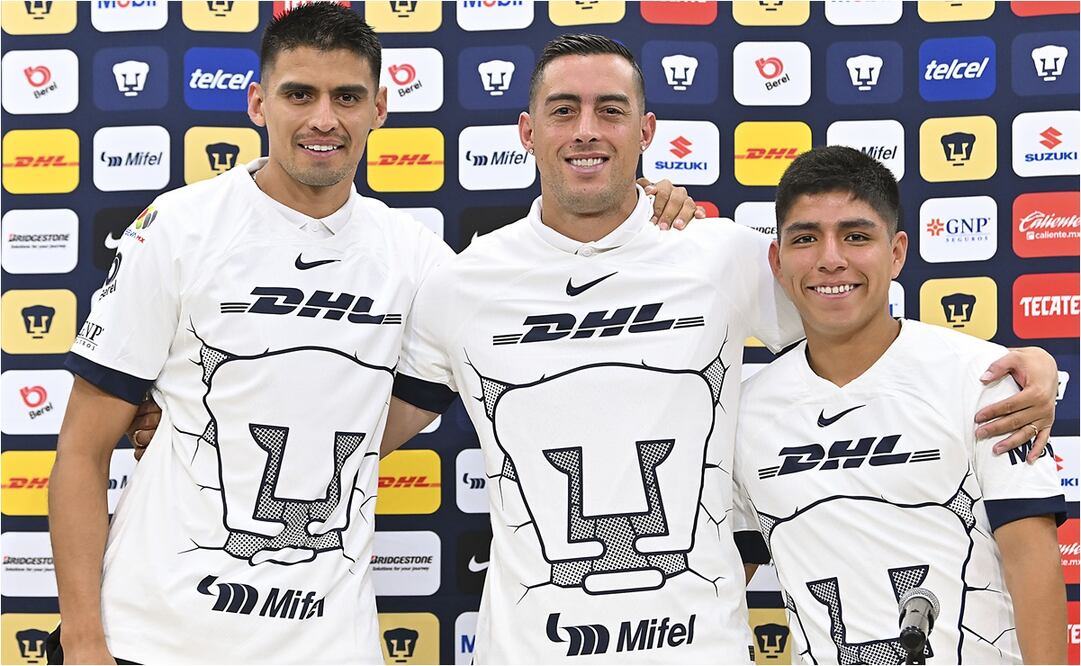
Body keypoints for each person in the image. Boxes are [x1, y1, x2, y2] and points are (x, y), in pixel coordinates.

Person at [120, 29, 1059, 665]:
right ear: (527, 132)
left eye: (610, 110)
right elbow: (367, 407)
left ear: (647, 132)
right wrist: (205, 418)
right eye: (563, 110)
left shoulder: (722, 255)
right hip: (534, 647)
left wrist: (1027, 365)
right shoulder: (457, 282)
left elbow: (854, 311)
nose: (587, 130)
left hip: (697, 648)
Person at [49, 7, 699, 664]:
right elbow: (80, 452)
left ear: (380, 108)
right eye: (299, 94)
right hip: (153, 640)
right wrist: (82, 642)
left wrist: (647, 208)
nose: (323, 119)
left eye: (347, 97)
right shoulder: (180, 227)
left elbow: (569, 309)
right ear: (256, 103)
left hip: (329, 645)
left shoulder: (419, 262)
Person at [733, 146, 1066, 664]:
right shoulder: (745, 414)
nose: (830, 258)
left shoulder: (983, 380)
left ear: (897, 252)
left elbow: (1035, 566)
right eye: (805, 238)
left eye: (856, 236)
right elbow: (716, 580)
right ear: (777, 261)